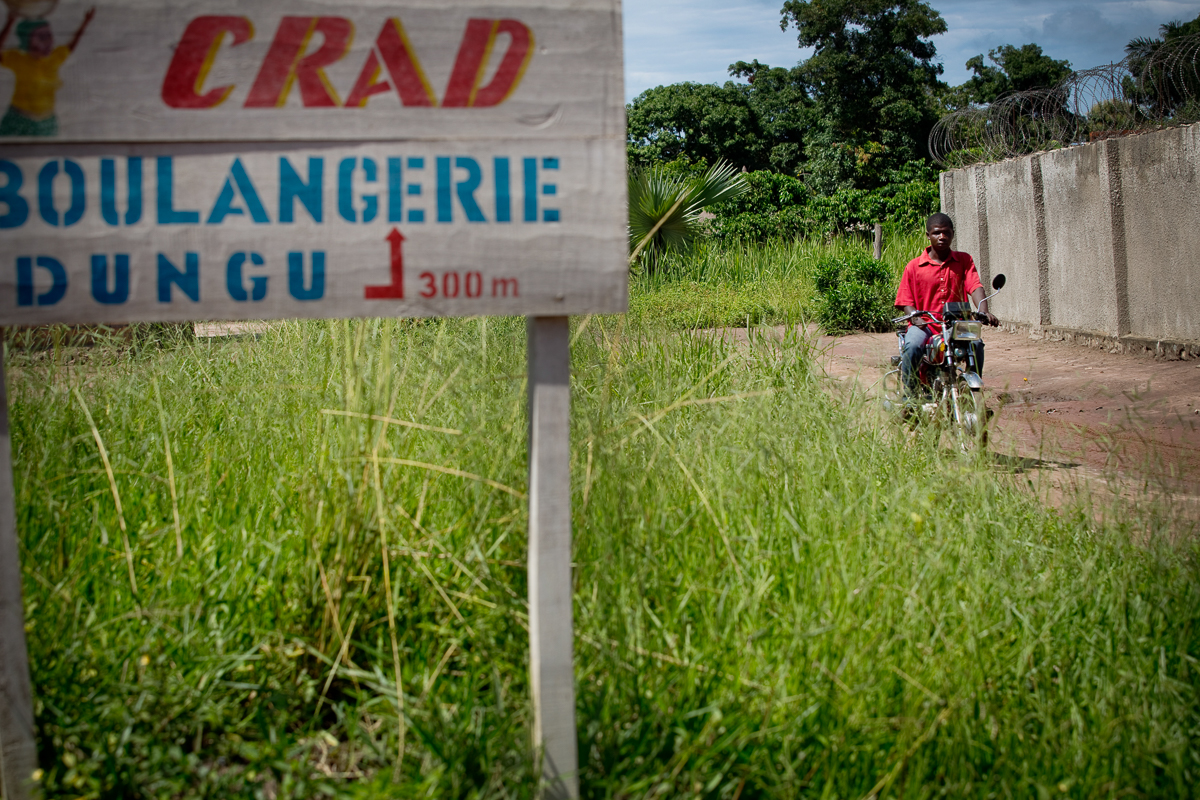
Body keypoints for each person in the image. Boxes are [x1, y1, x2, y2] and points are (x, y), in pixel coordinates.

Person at [894, 212, 998, 401]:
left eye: (946, 233)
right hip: (925, 324)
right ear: (928, 235)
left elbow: (975, 286)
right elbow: (905, 301)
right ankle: (909, 395)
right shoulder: (914, 266)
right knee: (912, 346)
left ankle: (971, 391)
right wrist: (914, 317)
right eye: (936, 233)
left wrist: (983, 311)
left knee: (976, 344)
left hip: (956, 325)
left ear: (952, 234)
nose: (942, 237)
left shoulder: (964, 261)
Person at [0, 6, 95, 137]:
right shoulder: (17, 59)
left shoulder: (54, 58)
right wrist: (9, 22)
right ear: (27, 41)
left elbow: (71, 46)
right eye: (42, 37)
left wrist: (85, 22)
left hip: (46, 123)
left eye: (49, 36)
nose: (49, 41)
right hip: (18, 120)